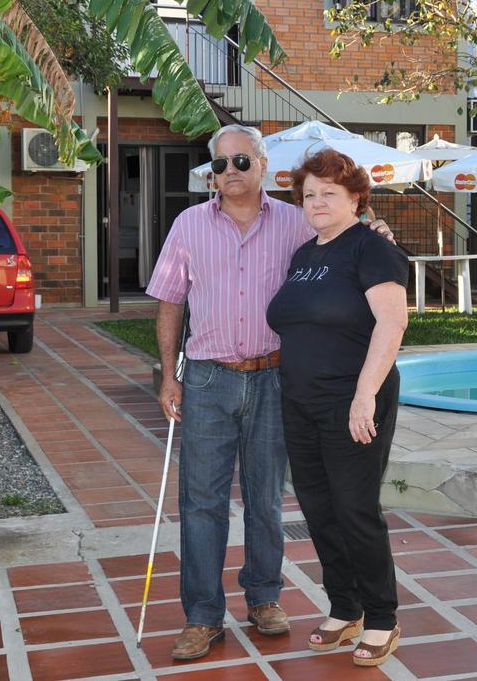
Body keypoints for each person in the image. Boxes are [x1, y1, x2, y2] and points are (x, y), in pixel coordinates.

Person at [148, 125, 392, 661]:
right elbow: (169, 302)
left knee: (266, 498)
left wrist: (374, 227)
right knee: (202, 501)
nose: (229, 172)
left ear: (262, 164)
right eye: (219, 164)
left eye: (240, 161)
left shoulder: (296, 221)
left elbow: (343, 245)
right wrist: (169, 376)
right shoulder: (188, 224)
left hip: (275, 376)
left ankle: (263, 598)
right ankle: (203, 614)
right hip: (209, 378)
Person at [266, 149, 409, 668]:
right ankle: (344, 606)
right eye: (309, 194)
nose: (317, 201)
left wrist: (364, 396)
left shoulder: (371, 248)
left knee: (355, 510)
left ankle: (381, 617)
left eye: (329, 192)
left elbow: (392, 325)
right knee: (319, 510)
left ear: (355, 197)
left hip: (354, 400)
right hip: (300, 402)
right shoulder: (305, 255)